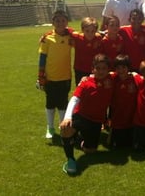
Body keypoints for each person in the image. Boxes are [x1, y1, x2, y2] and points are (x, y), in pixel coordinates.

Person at [60, 54, 114, 175]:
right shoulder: (86, 82)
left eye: (104, 68)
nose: (101, 71)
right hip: (81, 116)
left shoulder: (112, 79)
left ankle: (78, 139)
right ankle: (70, 159)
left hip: (96, 121)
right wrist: (67, 117)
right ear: (93, 69)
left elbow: (124, 73)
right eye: (98, 68)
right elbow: (75, 98)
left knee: (90, 150)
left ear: (108, 69)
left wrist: (135, 74)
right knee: (65, 129)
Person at [37, 10, 73, 138]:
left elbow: (83, 37)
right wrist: (41, 75)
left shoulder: (71, 36)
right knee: (50, 103)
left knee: (63, 103)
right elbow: (42, 57)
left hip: (65, 77)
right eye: (57, 20)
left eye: (63, 20)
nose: (60, 23)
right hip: (50, 77)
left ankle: (62, 126)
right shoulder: (47, 38)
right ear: (53, 22)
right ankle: (50, 127)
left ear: (67, 22)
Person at [107, 54, 140, 148]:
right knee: (117, 146)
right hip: (117, 119)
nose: (121, 70)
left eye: (124, 67)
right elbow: (101, 76)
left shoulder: (134, 79)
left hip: (131, 119)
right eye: (118, 68)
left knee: (131, 145)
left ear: (128, 67)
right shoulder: (113, 78)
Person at [71, 17, 102, 85]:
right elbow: (67, 30)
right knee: (81, 90)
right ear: (82, 30)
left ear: (96, 31)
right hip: (80, 70)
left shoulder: (98, 38)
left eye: (92, 31)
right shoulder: (77, 37)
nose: (90, 33)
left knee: (93, 89)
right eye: (87, 31)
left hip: (94, 70)